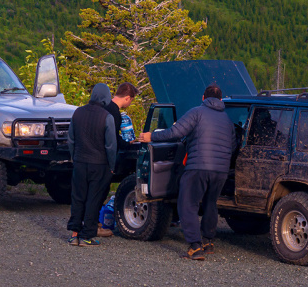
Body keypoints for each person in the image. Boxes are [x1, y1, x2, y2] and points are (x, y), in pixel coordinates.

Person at [138, 84, 234, 260]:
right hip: (221, 170)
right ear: (221, 100)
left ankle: (195, 247)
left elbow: (176, 132)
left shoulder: (197, 112)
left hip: (198, 166)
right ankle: (208, 241)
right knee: (211, 203)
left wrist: (152, 136)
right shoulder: (227, 120)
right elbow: (233, 145)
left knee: (187, 203)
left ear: (203, 98)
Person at [65, 83, 117, 246]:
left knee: (78, 198)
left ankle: (74, 234)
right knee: (93, 200)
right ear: (106, 97)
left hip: (80, 162)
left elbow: (71, 140)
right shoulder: (107, 116)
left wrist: (74, 157)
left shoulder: (78, 113)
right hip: (99, 164)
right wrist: (112, 165)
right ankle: (87, 235)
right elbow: (111, 145)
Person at [96, 82, 138, 238]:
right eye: (131, 100)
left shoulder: (104, 107)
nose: (130, 103)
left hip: (93, 154)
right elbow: (112, 138)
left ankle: (93, 222)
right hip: (104, 157)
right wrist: (127, 145)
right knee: (101, 189)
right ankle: (95, 224)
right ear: (127, 98)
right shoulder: (114, 112)